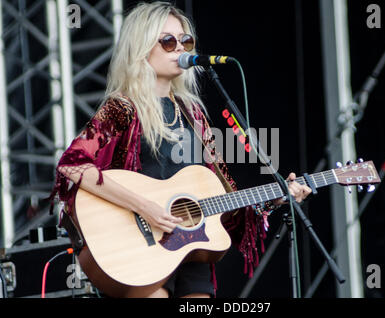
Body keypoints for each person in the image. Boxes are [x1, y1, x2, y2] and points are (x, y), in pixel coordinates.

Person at [49, 1, 311, 298]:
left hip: (191, 249)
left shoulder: (193, 113)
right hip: (140, 249)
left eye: (186, 41)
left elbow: (222, 201)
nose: (181, 49)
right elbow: (72, 164)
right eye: (168, 41)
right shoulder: (122, 108)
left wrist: (275, 198)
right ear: (141, 48)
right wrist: (144, 206)